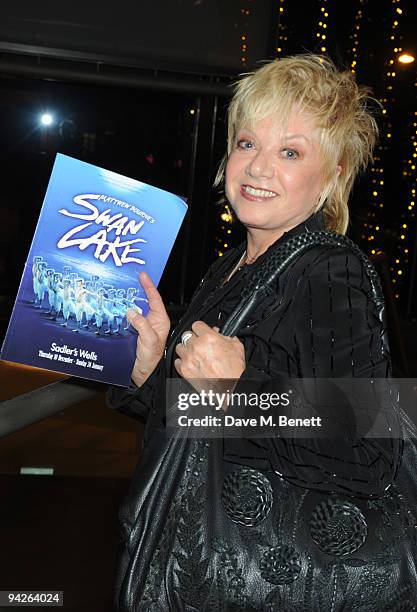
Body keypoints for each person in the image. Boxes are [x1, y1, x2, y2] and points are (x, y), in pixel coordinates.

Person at [108, 55, 417, 611]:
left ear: (333, 175)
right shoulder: (230, 268)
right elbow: (197, 421)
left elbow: (370, 450)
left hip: (257, 582)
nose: (258, 167)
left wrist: (239, 387)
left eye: (291, 152)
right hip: (188, 561)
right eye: (248, 143)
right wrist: (149, 370)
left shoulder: (329, 270)